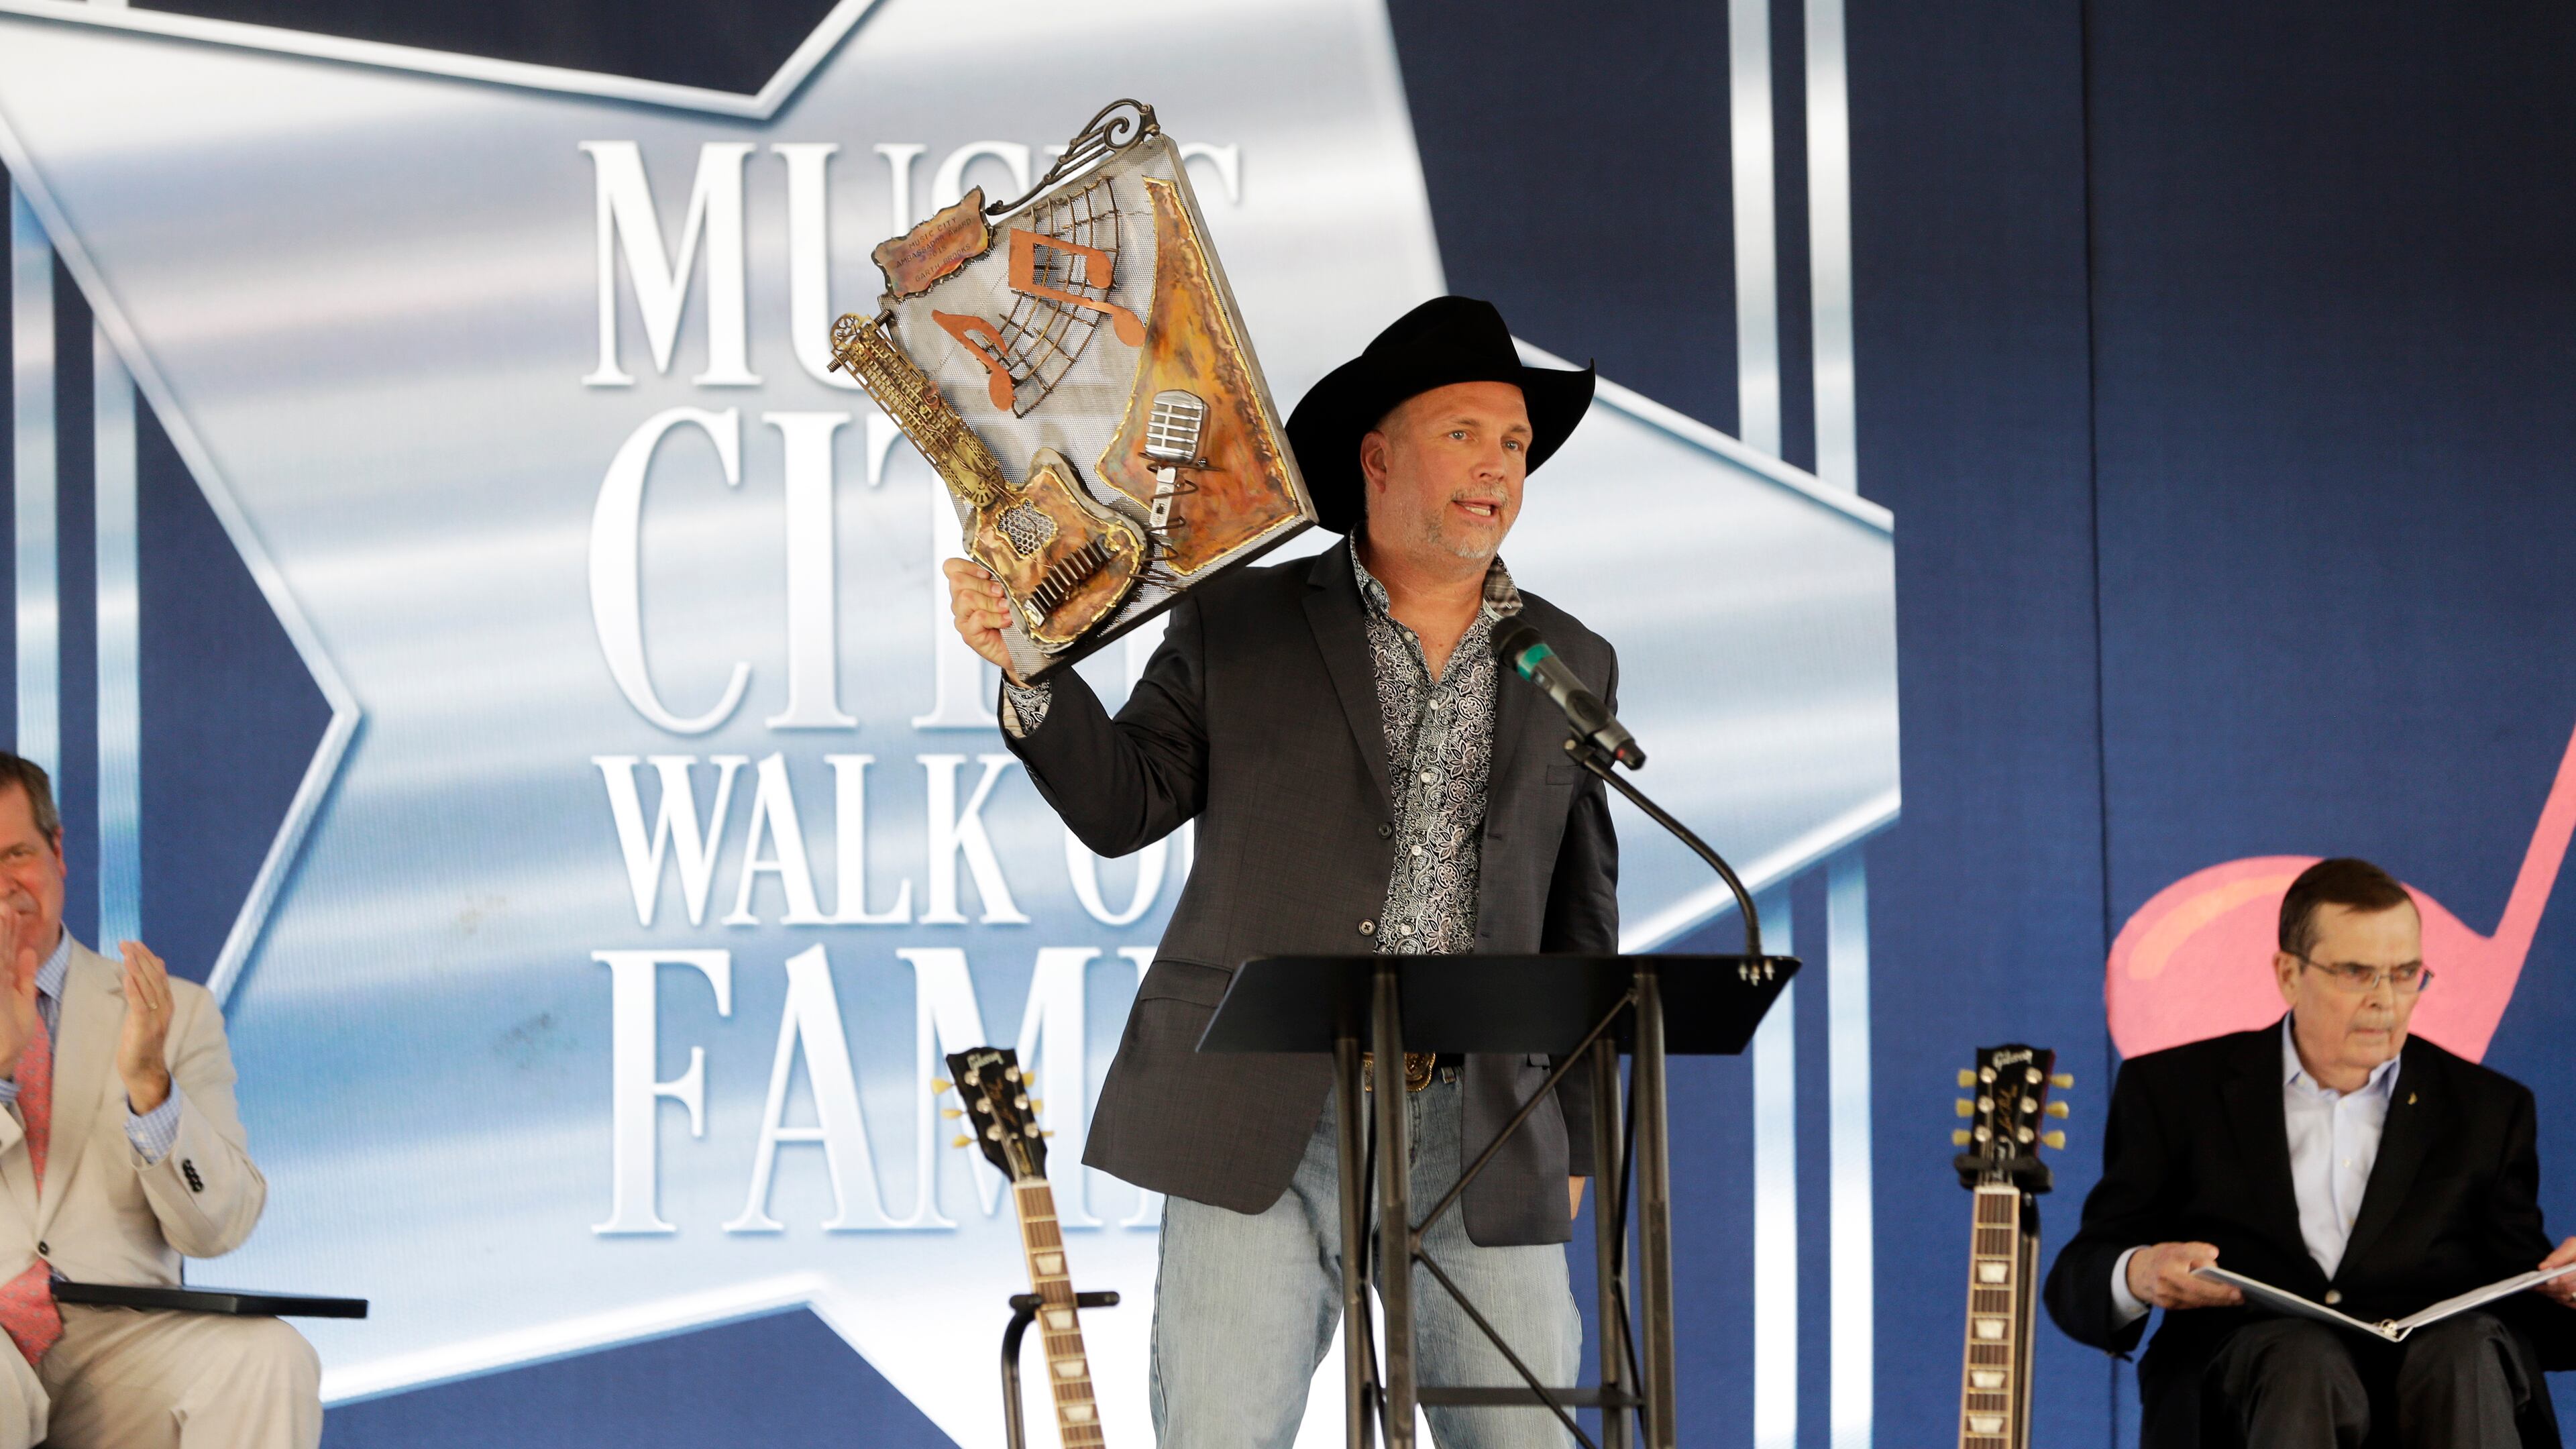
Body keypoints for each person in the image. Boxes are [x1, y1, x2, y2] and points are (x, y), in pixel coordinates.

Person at [944, 295, 1613, 1447]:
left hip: (1485, 1121)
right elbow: (1124, 803)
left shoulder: (1567, 658)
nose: (1498, 469)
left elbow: (1580, 923)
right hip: (1258, 1104)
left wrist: (1583, 1143)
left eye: (1515, 446)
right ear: (1376, 456)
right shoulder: (1238, 621)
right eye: (1464, 434)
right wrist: (1032, 674)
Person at [2043, 856, 2576, 1448]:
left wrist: (2568, 1289)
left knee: (2468, 1350)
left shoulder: (2487, 1110)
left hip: (2443, 1397)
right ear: (2289, 974)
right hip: (2255, 1397)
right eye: (2357, 972)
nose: (2387, 1001)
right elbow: (2080, 1277)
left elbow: (2536, 1318)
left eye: (2405, 974)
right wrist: (2139, 1273)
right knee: (2302, 1360)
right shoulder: (2175, 1092)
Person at [0, 753, 317, 1448]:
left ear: (57, 853)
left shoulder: (172, 1012)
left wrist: (153, 1091)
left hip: (120, 1344)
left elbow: (221, 1228)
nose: (2, 887)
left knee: (270, 1357)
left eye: (16, 853)